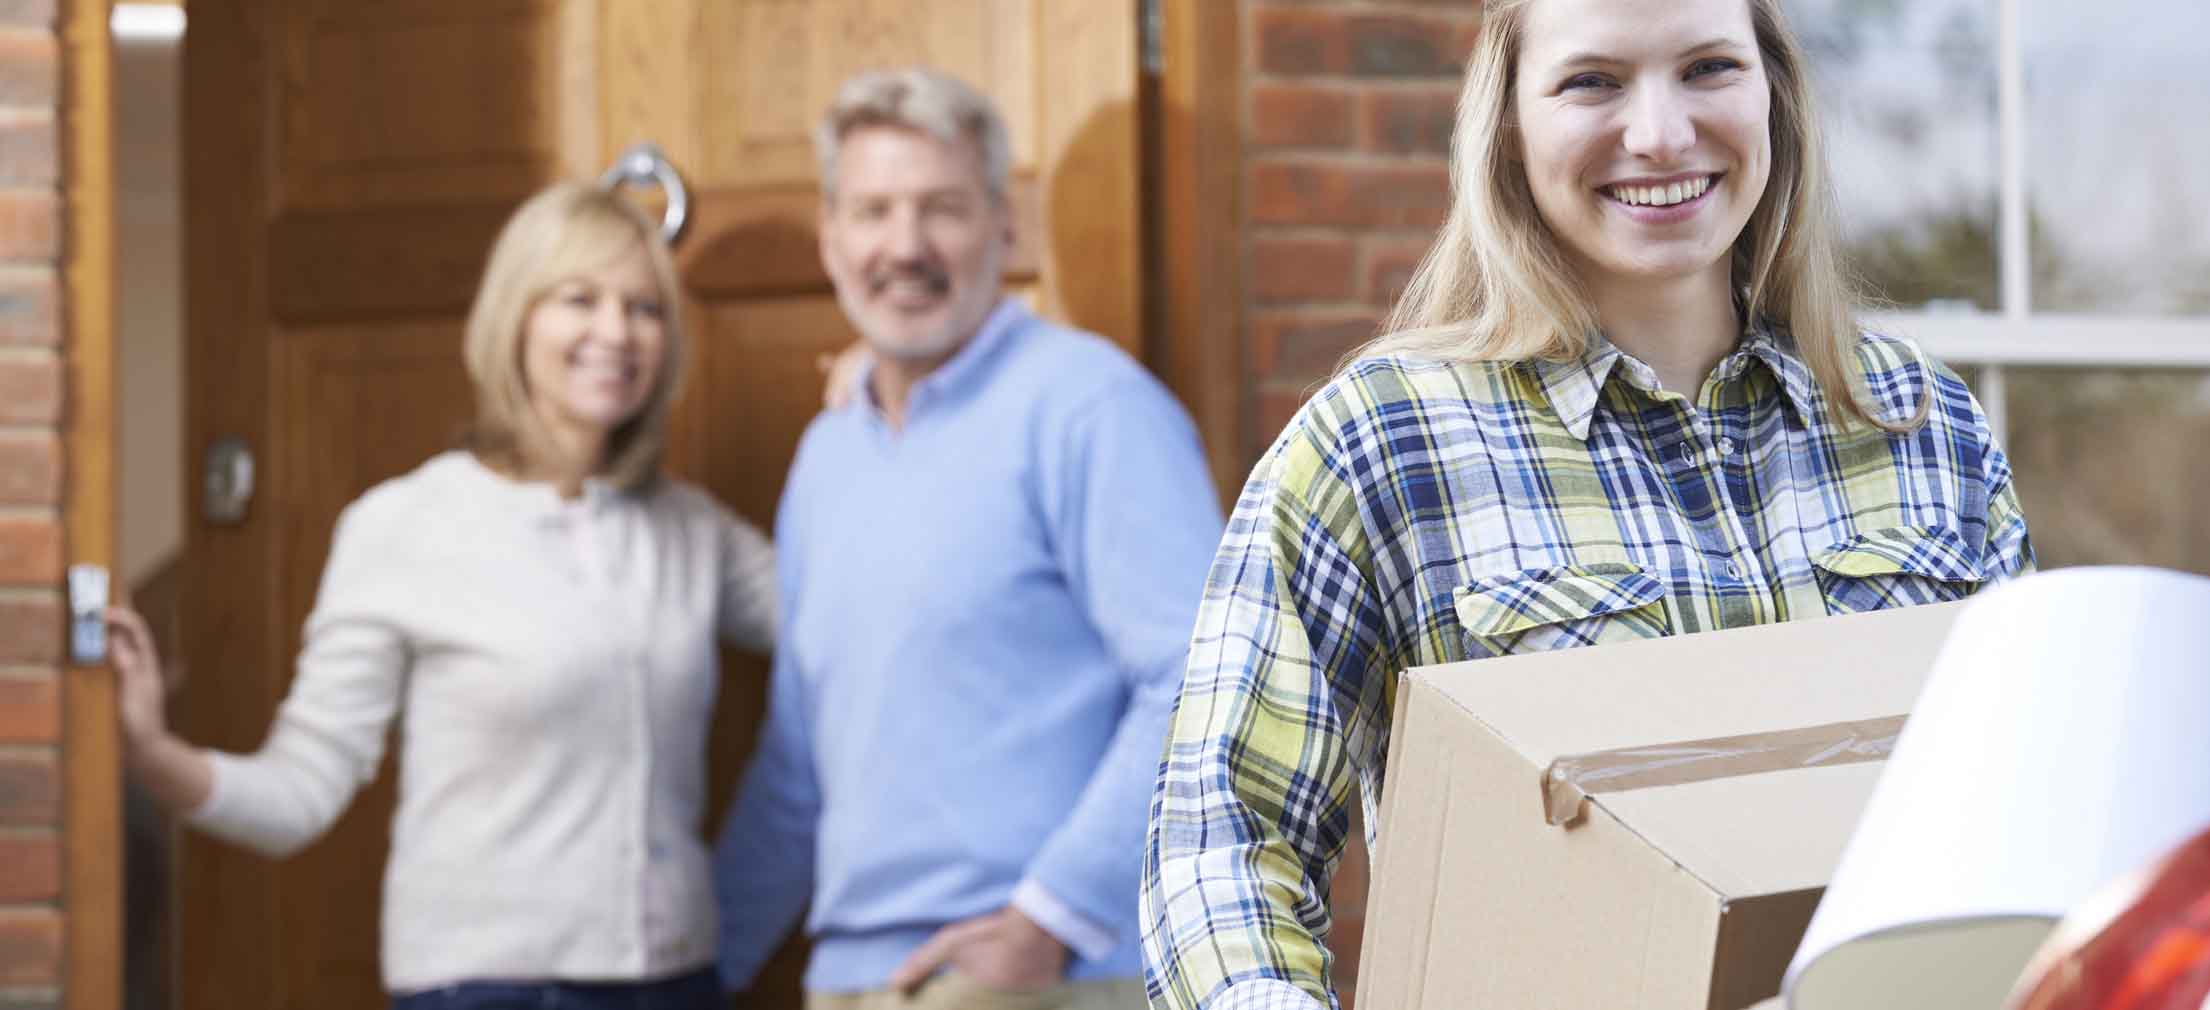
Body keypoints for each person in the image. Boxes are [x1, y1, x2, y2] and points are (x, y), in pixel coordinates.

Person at [1138, 0, 2036, 1006]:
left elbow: (2028, 806)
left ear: (1773, 97)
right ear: (1509, 125)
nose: (1660, 133)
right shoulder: (1383, 443)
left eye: (1707, 68)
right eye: (1592, 81)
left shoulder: (1921, 423)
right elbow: (1223, 843)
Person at [105, 183, 773, 1010]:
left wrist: (883, 392)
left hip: (677, 982)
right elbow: (301, 790)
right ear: (515, 320)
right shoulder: (404, 527)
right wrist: (150, 757)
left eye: (644, 308)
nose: (616, 332)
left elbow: (858, 629)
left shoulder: (692, 531)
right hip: (486, 990)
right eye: (579, 299)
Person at [712, 68, 1221, 1010]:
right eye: (873, 212)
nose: (905, 247)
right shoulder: (826, 456)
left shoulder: (1090, 406)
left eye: (941, 208)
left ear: (1004, 227)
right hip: (848, 981)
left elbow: (1201, 678)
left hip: (1036, 979)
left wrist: (1050, 920)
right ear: (832, 238)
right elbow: (798, 761)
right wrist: (706, 969)